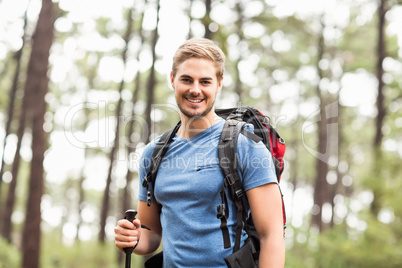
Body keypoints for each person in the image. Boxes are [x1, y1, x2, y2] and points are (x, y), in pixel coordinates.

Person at [114, 38, 285, 267]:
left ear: (219, 83)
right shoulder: (152, 155)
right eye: (187, 79)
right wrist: (133, 238)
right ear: (173, 79)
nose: (195, 90)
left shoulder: (245, 146)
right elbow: (151, 234)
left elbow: (271, 235)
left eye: (205, 81)